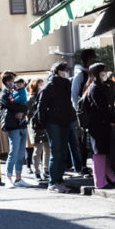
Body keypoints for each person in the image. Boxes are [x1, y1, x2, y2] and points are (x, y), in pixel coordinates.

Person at [37, 61, 78, 193]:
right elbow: (41, 107)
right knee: (57, 152)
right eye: (63, 70)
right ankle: (53, 182)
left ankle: (59, 180)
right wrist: (42, 124)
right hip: (53, 123)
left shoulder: (66, 84)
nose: (65, 72)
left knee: (62, 153)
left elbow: (68, 103)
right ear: (57, 71)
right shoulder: (49, 86)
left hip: (64, 121)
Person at [82, 63, 115, 189]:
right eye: (102, 72)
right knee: (99, 152)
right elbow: (102, 107)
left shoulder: (96, 87)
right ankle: (99, 181)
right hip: (98, 125)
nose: (104, 74)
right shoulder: (95, 88)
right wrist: (113, 119)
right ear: (96, 74)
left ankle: (108, 177)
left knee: (103, 151)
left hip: (99, 124)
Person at [0, 72, 31, 187]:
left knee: (21, 153)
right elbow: (12, 106)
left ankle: (18, 178)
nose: (15, 83)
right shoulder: (3, 94)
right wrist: (23, 108)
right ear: (7, 82)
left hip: (22, 125)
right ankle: (8, 178)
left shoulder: (17, 91)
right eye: (13, 80)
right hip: (13, 126)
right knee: (13, 152)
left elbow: (26, 105)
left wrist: (23, 108)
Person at [68, 49, 96, 175]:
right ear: (85, 60)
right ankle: (82, 166)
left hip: (93, 110)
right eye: (91, 59)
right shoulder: (80, 74)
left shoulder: (93, 73)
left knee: (91, 139)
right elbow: (74, 94)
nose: (93, 60)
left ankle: (95, 165)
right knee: (83, 140)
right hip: (82, 111)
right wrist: (78, 112)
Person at [27, 79, 48, 181]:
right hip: (35, 126)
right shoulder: (31, 98)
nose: (42, 86)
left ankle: (46, 169)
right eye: (40, 84)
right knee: (38, 149)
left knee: (47, 148)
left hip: (45, 124)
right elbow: (28, 113)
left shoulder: (44, 95)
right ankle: (37, 172)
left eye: (42, 83)